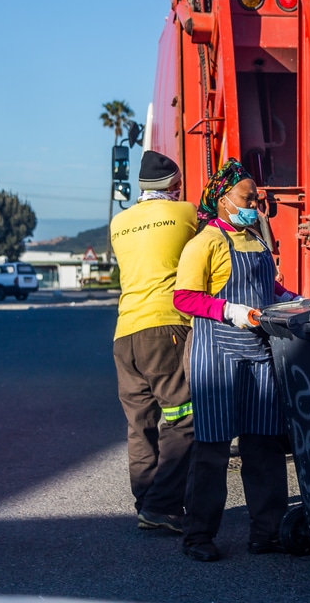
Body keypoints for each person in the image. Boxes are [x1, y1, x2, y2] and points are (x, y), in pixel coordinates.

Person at [173, 158, 299, 562]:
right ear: (224, 199)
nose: (255, 207)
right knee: (211, 451)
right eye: (248, 199)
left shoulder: (256, 239)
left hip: (258, 354)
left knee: (264, 447)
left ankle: (268, 533)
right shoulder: (205, 241)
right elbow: (185, 297)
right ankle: (198, 537)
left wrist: (295, 302)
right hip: (217, 357)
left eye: (257, 200)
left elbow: (269, 287)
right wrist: (234, 312)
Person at [110, 151, 197, 533]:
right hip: (165, 329)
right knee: (183, 418)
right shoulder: (184, 213)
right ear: (173, 186)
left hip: (124, 333)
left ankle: (146, 503)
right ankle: (162, 506)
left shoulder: (118, 223)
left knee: (139, 424)